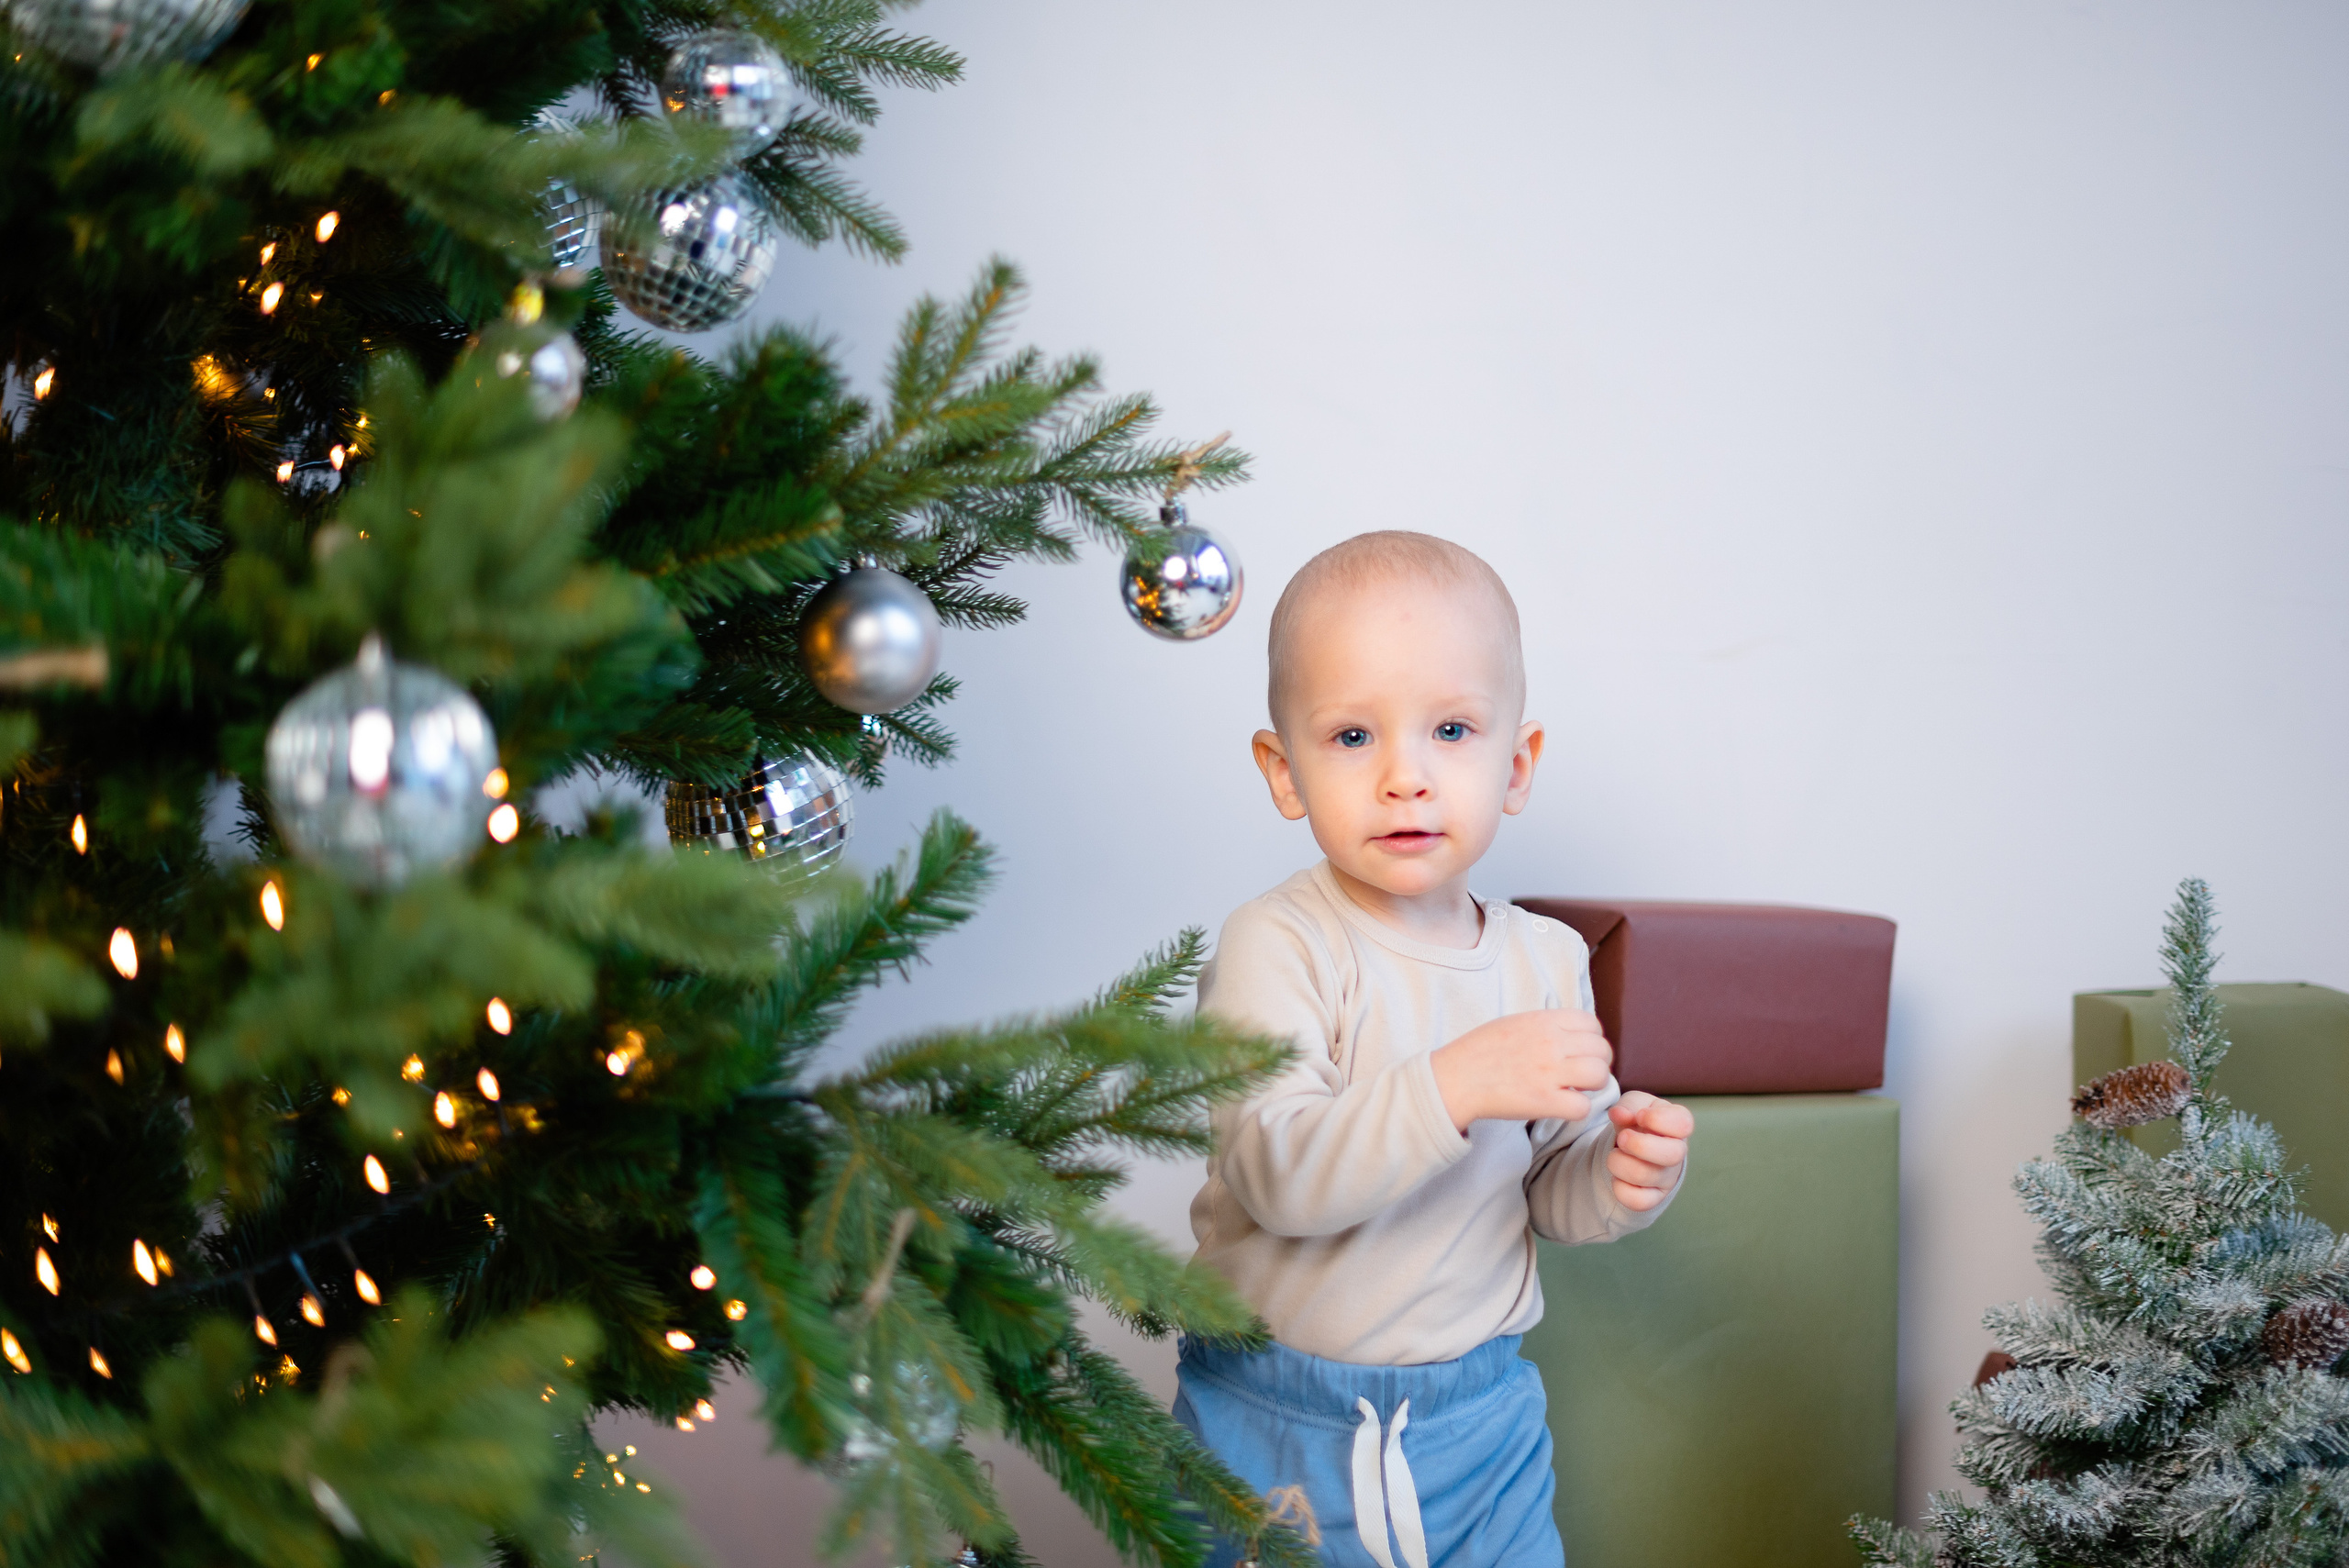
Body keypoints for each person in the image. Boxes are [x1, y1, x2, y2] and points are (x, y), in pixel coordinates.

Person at [1174, 531, 1695, 1568]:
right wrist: (1454, 1084)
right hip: (1281, 1421)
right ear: (1284, 770)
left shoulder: (1545, 958)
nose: (1407, 777)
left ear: (1517, 762)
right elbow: (1277, 1170)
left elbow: (1545, 1184)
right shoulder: (1276, 944)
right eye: (1354, 734)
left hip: (1480, 1417)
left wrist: (1621, 1175)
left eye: (1451, 728)